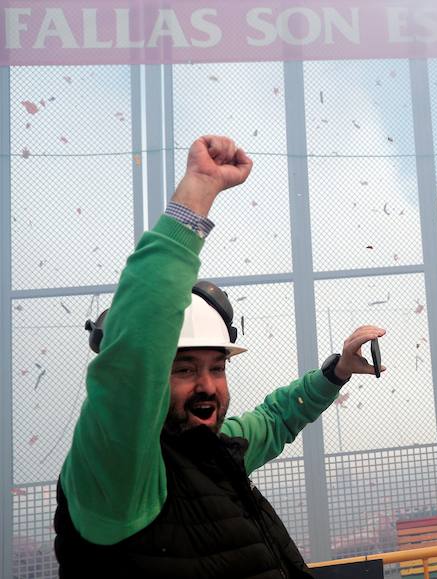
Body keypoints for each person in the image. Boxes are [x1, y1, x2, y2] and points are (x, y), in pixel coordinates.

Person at [53, 135, 386, 578]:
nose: (207, 385)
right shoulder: (120, 477)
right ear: (151, 378)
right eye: (184, 369)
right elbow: (136, 351)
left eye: (217, 366)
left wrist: (337, 372)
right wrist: (198, 193)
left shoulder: (213, 453)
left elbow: (276, 419)